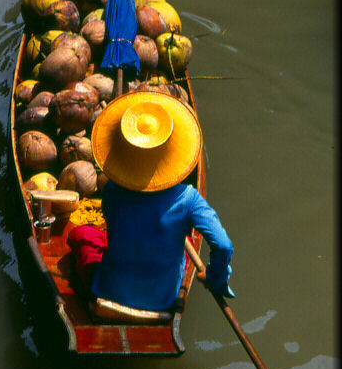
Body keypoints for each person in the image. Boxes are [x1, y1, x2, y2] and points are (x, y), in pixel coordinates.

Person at [68, 88, 234, 312]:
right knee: (184, 251)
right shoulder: (189, 199)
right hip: (163, 300)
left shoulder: (111, 190)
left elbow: (117, 229)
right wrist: (214, 276)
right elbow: (223, 245)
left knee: (81, 234)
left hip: (111, 291)